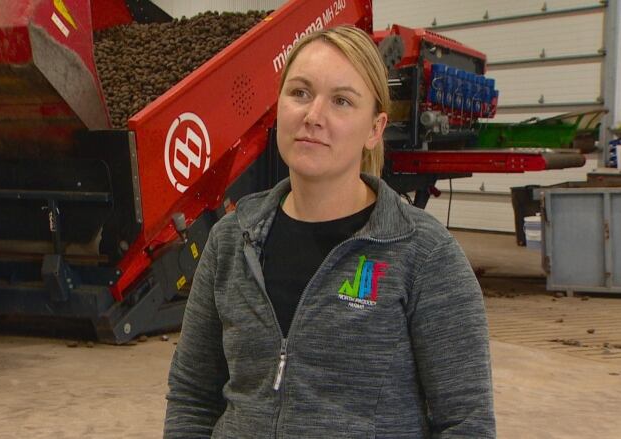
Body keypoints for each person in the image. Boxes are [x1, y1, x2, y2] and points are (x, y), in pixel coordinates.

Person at [164, 25, 495, 438]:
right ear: (279, 107)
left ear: (375, 129)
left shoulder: (423, 255)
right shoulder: (232, 241)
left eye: (341, 101)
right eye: (300, 93)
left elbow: (467, 423)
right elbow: (192, 396)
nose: (313, 116)